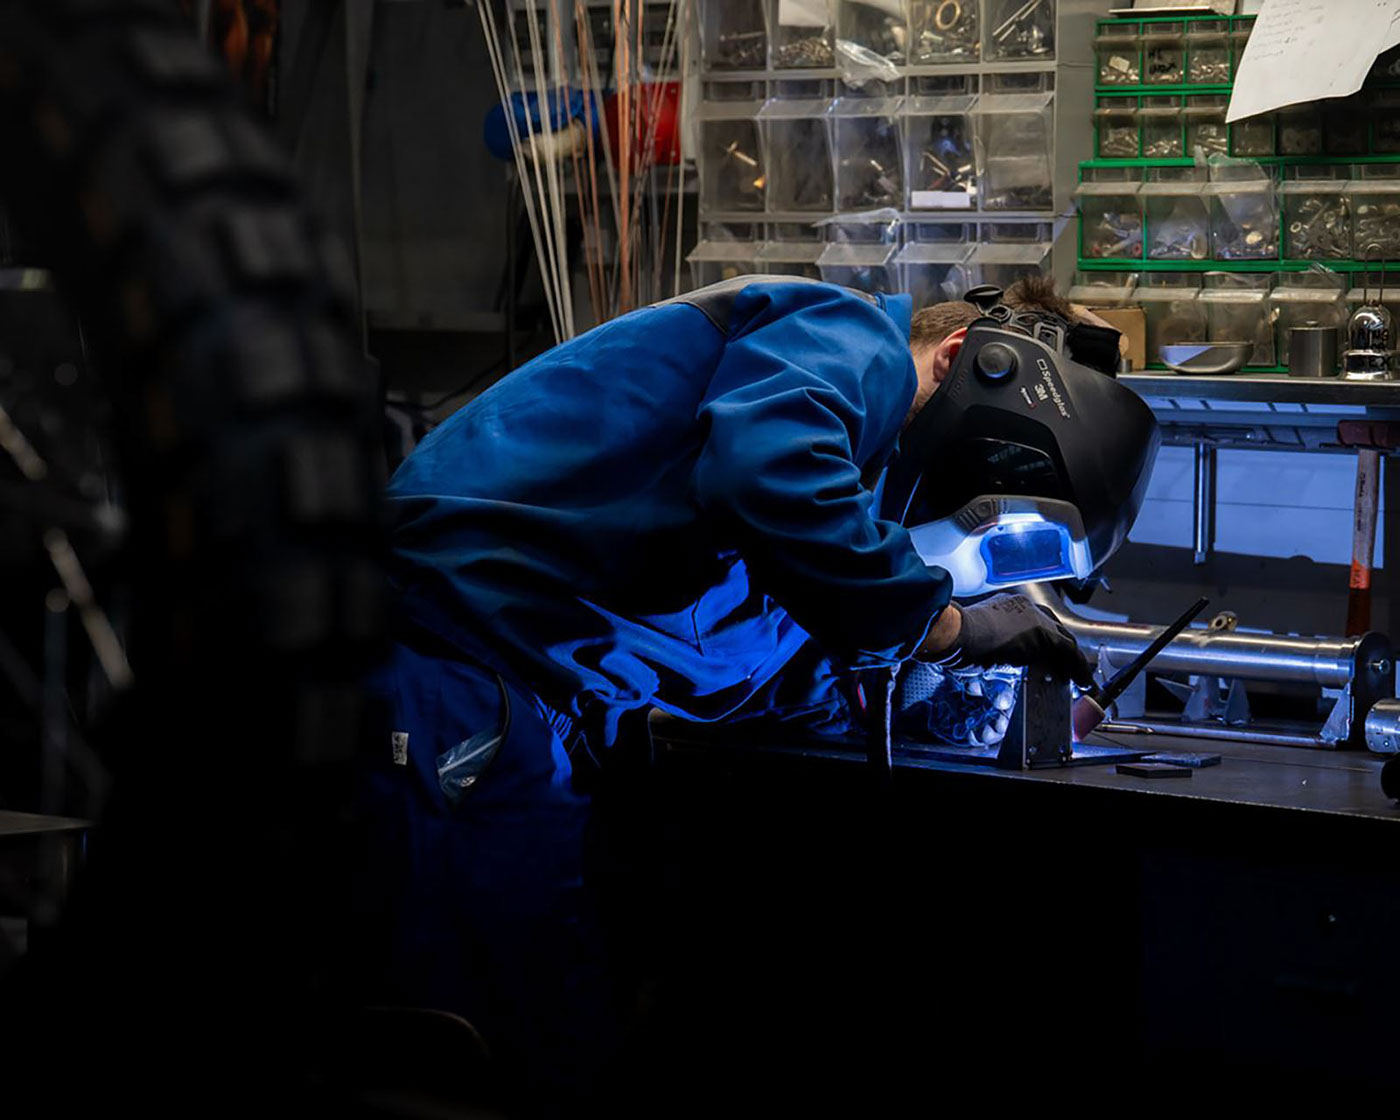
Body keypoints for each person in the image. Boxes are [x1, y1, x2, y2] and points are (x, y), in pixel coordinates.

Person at [364, 275, 1154, 1105]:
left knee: (552, 1033)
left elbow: (768, 657)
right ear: (960, 357)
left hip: (532, 713)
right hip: (449, 666)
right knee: (458, 1042)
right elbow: (771, 481)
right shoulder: (846, 337)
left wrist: (924, 691)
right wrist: (950, 630)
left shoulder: (826, 493)